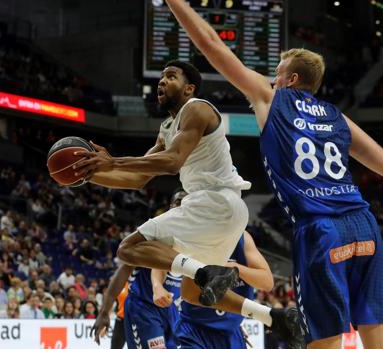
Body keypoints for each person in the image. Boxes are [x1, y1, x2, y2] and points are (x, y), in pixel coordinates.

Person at [165, 2, 383, 348]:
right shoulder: (337, 117)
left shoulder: (272, 98)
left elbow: (211, 44)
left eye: (277, 72)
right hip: (364, 225)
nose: (272, 78)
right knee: (378, 338)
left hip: (321, 230)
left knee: (325, 340)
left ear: (291, 79)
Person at [76, 60, 300, 345]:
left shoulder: (197, 108)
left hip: (212, 202)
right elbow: (138, 179)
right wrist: (90, 176)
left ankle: (203, 272)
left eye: (171, 76)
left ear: (189, 88)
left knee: (129, 248)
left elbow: (172, 162)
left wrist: (112, 161)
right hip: (225, 211)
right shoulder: (168, 126)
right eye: (161, 77)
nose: (162, 81)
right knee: (194, 294)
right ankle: (274, 318)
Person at [91, 190, 184, 349]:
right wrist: (105, 311)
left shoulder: (196, 237)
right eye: (178, 201)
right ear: (170, 206)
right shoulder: (154, 230)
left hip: (173, 311)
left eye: (187, 202)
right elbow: (124, 269)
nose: (182, 205)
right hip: (144, 308)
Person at [178, 230, 273, 349]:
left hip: (231, 332)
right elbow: (188, 294)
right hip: (195, 331)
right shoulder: (199, 237)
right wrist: (157, 286)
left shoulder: (242, 237)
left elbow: (267, 282)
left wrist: (233, 269)